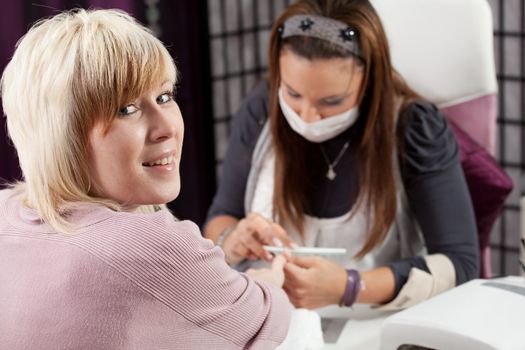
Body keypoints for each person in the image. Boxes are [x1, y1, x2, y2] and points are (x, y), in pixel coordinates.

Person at [0, 9, 292, 349]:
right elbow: (268, 326)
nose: (166, 128)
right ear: (63, 136)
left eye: (164, 97)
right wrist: (269, 284)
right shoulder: (149, 246)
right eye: (127, 109)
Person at [204, 0, 480, 310]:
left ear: (369, 81)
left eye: (332, 101)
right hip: (270, 320)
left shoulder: (413, 128)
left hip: (371, 326)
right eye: (292, 93)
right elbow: (220, 216)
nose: (307, 117)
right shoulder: (261, 111)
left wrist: (350, 287)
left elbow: (460, 263)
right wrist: (232, 239)